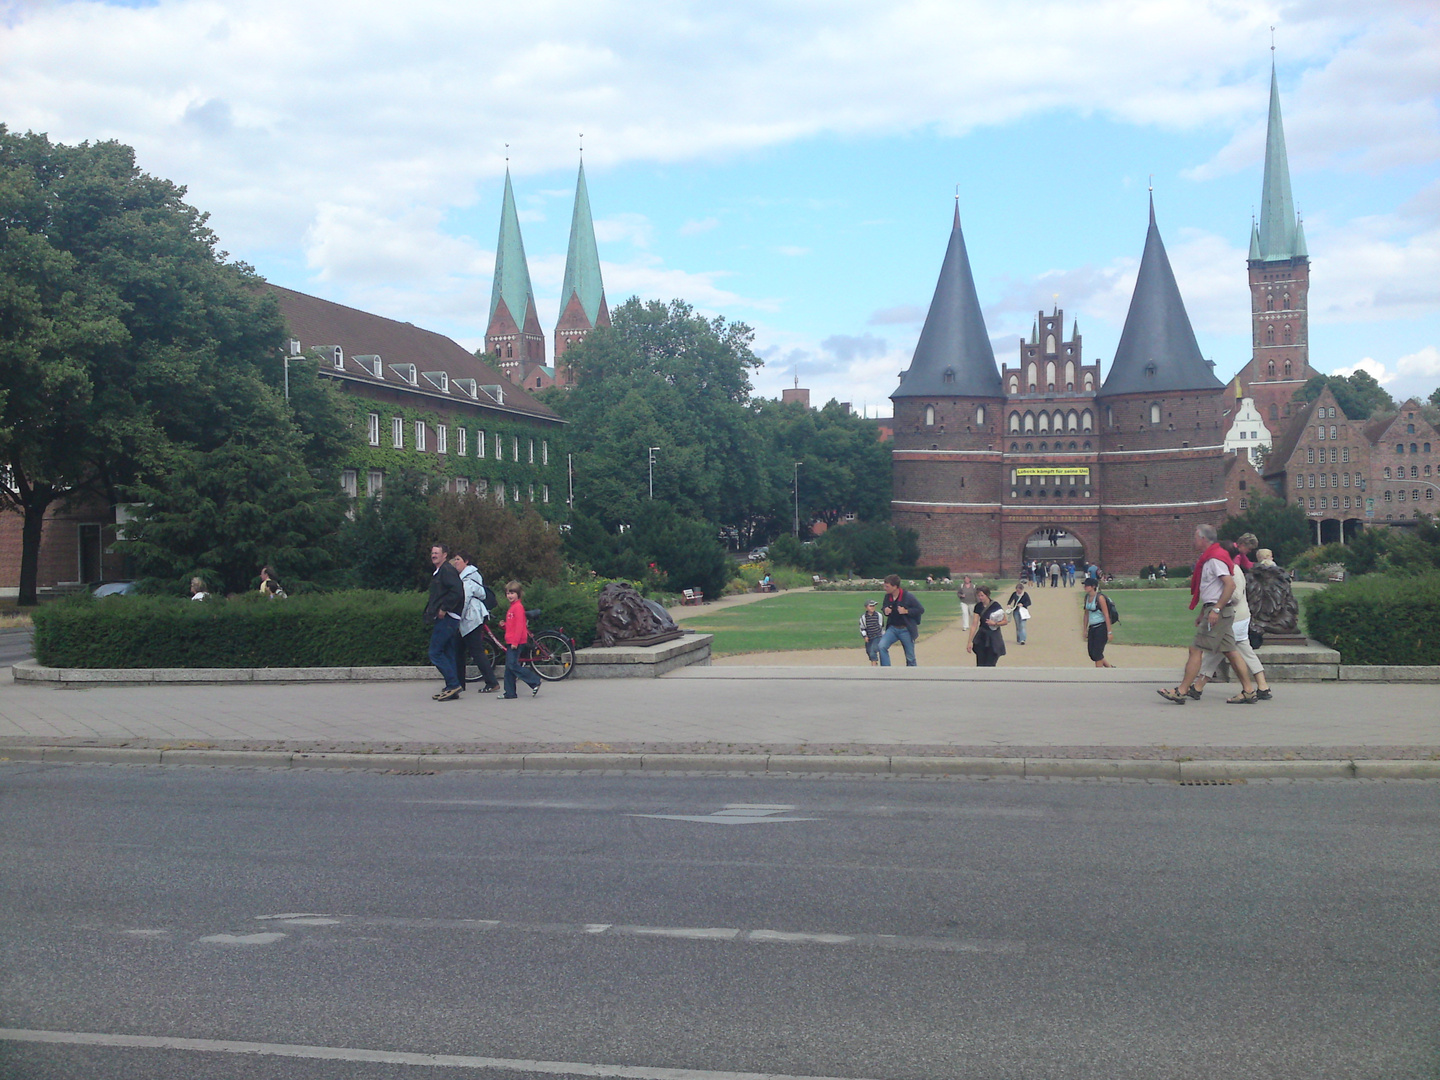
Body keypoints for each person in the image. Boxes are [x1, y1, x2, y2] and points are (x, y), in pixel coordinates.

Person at [1157, 524, 1258, 705]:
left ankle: (1181, 691)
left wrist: (1216, 609)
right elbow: (1212, 589)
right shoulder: (1212, 557)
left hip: (1218, 612)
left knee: (1195, 649)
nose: (1193, 541)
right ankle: (1249, 691)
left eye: (1195, 537)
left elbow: (1229, 585)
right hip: (1219, 611)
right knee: (1231, 652)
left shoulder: (1214, 559)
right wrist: (1204, 611)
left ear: (1203, 539)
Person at [1190, 542, 1272, 701]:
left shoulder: (1232, 569)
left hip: (1235, 616)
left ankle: (1198, 686)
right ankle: (1262, 686)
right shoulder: (1231, 567)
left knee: (1218, 650)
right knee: (1239, 649)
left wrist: (1219, 604)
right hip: (1238, 616)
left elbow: (1235, 596)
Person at [451, 550, 500, 695]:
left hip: (470, 619)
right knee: (459, 651)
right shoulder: (470, 576)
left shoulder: (467, 579)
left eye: (458, 559)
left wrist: (457, 617)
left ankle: (491, 682)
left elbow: (464, 601)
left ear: (466, 561)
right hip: (470, 619)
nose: (455, 562)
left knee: (475, 651)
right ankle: (459, 683)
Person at [424, 542, 465, 702]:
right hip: (447, 618)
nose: (433, 555)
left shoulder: (447, 571)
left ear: (445, 555)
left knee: (435, 652)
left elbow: (457, 591)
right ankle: (451, 687)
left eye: (437, 553)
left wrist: (444, 609)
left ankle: (454, 683)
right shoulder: (440, 571)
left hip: (448, 618)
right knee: (448, 653)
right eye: (432, 553)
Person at [502, 580, 542, 698]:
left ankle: (534, 681)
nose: (510, 595)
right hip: (511, 640)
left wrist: (515, 642)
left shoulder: (518, 608)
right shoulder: (512, 608)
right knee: (509, 668)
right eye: (508, 593)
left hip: (516, 642)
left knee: (512, 665)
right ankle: (510, 692)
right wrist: (504, 625)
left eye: (512, 593)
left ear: (518, 594)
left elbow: (520, 626)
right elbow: (512, 626)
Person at [877, 574, 924, 667]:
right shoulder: (888, 597)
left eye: (887, 586)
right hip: (893, 628)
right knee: (881, 646)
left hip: (906, 629)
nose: (885, 588)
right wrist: (885, 610)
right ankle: (886, 670)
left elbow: (920, 609)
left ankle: (912, 675)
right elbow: (884, 607)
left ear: (895, 587)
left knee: (910, 657)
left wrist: (906, 611)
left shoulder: (908, 596)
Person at [966, 585, 1007, 666]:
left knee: (991, 662)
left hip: (993, 636)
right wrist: (969, 641)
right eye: (979, 596)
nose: (980, 598)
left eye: (982, 595)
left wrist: (995, 623)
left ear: (987, 595)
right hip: (982, 636)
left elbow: (1005, 621)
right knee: (980, 662)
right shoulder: (978, 606)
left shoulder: (995, 606)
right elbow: (974, 624)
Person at [1081, 577, 1114, 667]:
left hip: (1101, 627)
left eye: (1087, 585)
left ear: (1093, 586)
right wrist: (1084, 629)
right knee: (1092, 653)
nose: (1085, 587)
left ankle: (1099, 674)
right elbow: (1086, 614)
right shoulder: (1087, 597)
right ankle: (1110, 667)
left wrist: (1109, 632)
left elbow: (1106, 615)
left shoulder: (1100, 598)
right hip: (1092, 628)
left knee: (1097, 653)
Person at [1005, 580, 1031, 644]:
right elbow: (1010, 600)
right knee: (1018, 625)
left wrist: (1023, 604)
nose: (1018, 591)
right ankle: (1019, 638)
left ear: (1022, 589)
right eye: (1017, 590)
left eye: (1019, 590)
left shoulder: (1025, 595)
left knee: (1022, 625)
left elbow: (1029, 602)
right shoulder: (1014, 594)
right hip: (1016, 611)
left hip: (1023, 612)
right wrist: (1009, 605)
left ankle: (1023, 639)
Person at [859, 599, 883, 665]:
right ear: (866, 607)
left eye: (873, 606)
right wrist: (865, 636)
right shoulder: (863, 617)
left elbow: (881, 625)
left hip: (877, 636)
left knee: (873, 651)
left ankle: (874, 664)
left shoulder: (879, 615)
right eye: (870, 606)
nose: (872, 607)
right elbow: (862, 628)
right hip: (869, 637)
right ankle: (874, 662)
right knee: (868, 651)